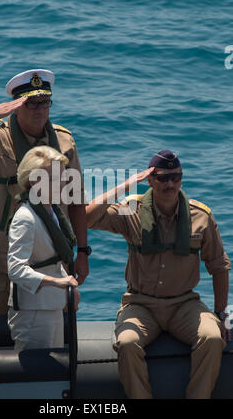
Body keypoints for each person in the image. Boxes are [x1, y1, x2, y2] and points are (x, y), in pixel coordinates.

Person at [86, 150, 231, 399]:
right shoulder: (131, 210)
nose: (170, 184)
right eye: (163, 178)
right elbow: (87, 218)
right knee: (127, 343)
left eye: (176, 177)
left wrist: (221, 312)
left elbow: (218, 266)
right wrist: (127, 185)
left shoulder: (200, 217)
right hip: (141, 304)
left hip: (184, 304)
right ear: (150, 181)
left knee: (213, 337)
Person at [0, 69, 89, 316]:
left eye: (44, 102)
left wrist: (82, 252)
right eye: (31, 103)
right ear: (15, 107)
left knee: (60, 333)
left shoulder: (64, 142)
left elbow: (75, 200)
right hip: (8, 256)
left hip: (56, 255)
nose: (39, 109)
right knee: (4, 334)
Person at [7, 145, 78, 350]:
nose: (63, 182)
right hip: (33, 312)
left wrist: (68, 286)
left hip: (51, 305)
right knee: (35, 377)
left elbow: (52, 258)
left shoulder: (50, 212)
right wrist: (58, 282)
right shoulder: (26, 218)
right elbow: (15, 269)